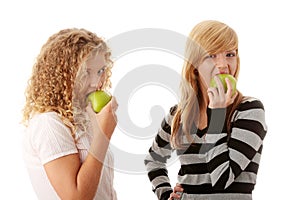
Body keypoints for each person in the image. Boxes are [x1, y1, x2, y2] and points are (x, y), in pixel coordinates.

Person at [144, 20, 267, 200]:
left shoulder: (249, 110)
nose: (223, 65)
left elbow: (223, 179)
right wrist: (165, 194)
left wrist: (217, 114)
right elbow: (153, 160)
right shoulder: (178, 115)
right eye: (211, 56)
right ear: (194, 66)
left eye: (230, 54)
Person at [22, 28, 118, 200]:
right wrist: (103, 134)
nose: (96, 83)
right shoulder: (48, 124)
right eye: (86, 73)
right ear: (63, 75)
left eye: (100, 71)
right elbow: (76, 197)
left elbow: (103, 190)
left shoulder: (85, 117)